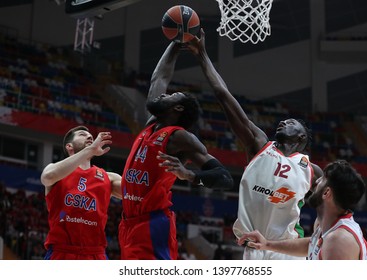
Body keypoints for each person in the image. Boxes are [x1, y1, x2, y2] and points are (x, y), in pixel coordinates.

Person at [187, 29, 323, 260]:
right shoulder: (259, 144)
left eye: (291, 123)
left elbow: (332, 202)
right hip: (252, 248)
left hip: (287, 251)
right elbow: (223, 95)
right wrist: (202, 55)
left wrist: (322, 229)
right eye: (283, 119)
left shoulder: (311, 169)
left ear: (301, 138)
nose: (283, 122)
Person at [118, 41, 234, 260]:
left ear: (178, 108)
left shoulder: (179, 137)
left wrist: (189, 174)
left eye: (171, 96)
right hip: (128, 222)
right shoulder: (151, 125)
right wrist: (175, 43)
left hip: (152, 224)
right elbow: (159, 78)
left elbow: (225, 178)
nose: (163, 95)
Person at [237, 160, 367, 260]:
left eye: (322, 180)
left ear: (326, 193)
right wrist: (267, 244)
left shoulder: (339, 240)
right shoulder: (323, 224)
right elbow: (311, 244)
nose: (316, 182)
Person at [40, 126, 122, 260]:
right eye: (82, 134)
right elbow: (47, 177)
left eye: (91, 136)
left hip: (96, 254)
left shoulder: (108, 177)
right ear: (69, 146)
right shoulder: (56, 171)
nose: (90, 137)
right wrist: (90, 149)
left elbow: (136, 191)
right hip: (62, 252)